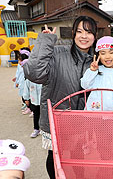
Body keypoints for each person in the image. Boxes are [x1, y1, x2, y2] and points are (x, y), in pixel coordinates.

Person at [23, 16, 97, 178]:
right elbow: (34, 73)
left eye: (89, 32)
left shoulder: (98, 59)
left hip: (82, 120)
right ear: (73, 33)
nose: (84, 36)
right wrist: (45, 42)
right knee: (54, 156)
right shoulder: (57, 52)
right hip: (57, 117)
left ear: (95, 35)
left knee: (79, 157)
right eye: (79, 31)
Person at [81, 36, 113, 111]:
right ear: (98, 55)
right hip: (96, 113)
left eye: (111, 52)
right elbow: (84, 85)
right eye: (103, 53)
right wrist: (92, 71)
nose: (107, 57)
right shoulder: (95, 71)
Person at [22, 58, 42, 138]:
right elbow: (26, 90)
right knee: (36, 115)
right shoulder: (29, 80)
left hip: (43, 101)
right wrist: (26, 99)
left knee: (44, 116)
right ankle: (36, 129)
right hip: (34, 101)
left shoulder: (44, 79)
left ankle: (45, 130)